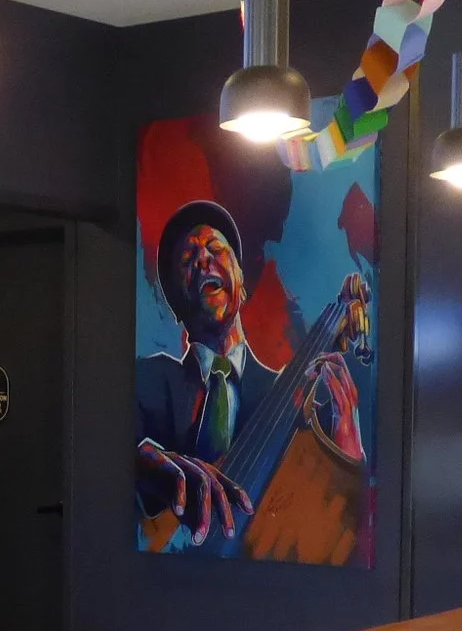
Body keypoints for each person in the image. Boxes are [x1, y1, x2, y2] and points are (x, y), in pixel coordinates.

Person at [136, 201, 359, 545]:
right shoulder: (146, 381)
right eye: (187, 259)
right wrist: (139, 461)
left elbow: (342, 525)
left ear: (241, 282)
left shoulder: (289, 400)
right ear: (176, 303)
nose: (202, 260)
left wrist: (348, 454)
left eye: (215, 249)